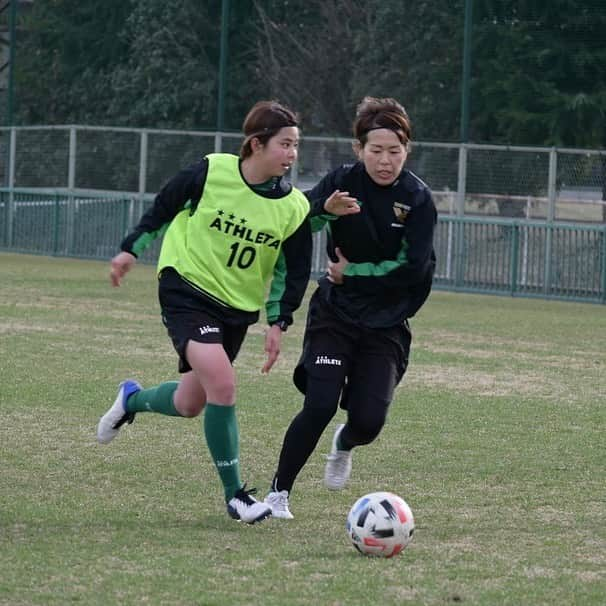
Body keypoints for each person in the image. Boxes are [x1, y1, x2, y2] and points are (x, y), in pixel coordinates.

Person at [97, 100, 312, 524]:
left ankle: (131, 400)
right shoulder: (212, 171)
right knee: (223, 383)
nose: (292, 154)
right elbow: (163, 209)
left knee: (191, 401)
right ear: (256, 144)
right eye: (284, 144)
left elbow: (293, 271)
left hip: (236, 310)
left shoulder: (294, 208)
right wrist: (130, 249)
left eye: (295, 145)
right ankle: (236, 496)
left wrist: (279, 321)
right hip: (186, 289)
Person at [263, 96, 437, 519]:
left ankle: (344, 444)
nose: (385, 160)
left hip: (387, 323)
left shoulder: (417, 199)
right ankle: (277, 495)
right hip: (335, 315)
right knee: (319, 404)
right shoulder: (341, 181)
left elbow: (415, 269)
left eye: (394, 151)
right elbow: (294, 220)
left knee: (369, 421)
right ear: (359, 149)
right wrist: (324, 208)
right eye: (376, 151)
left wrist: (352, 273)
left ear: (406, 151)